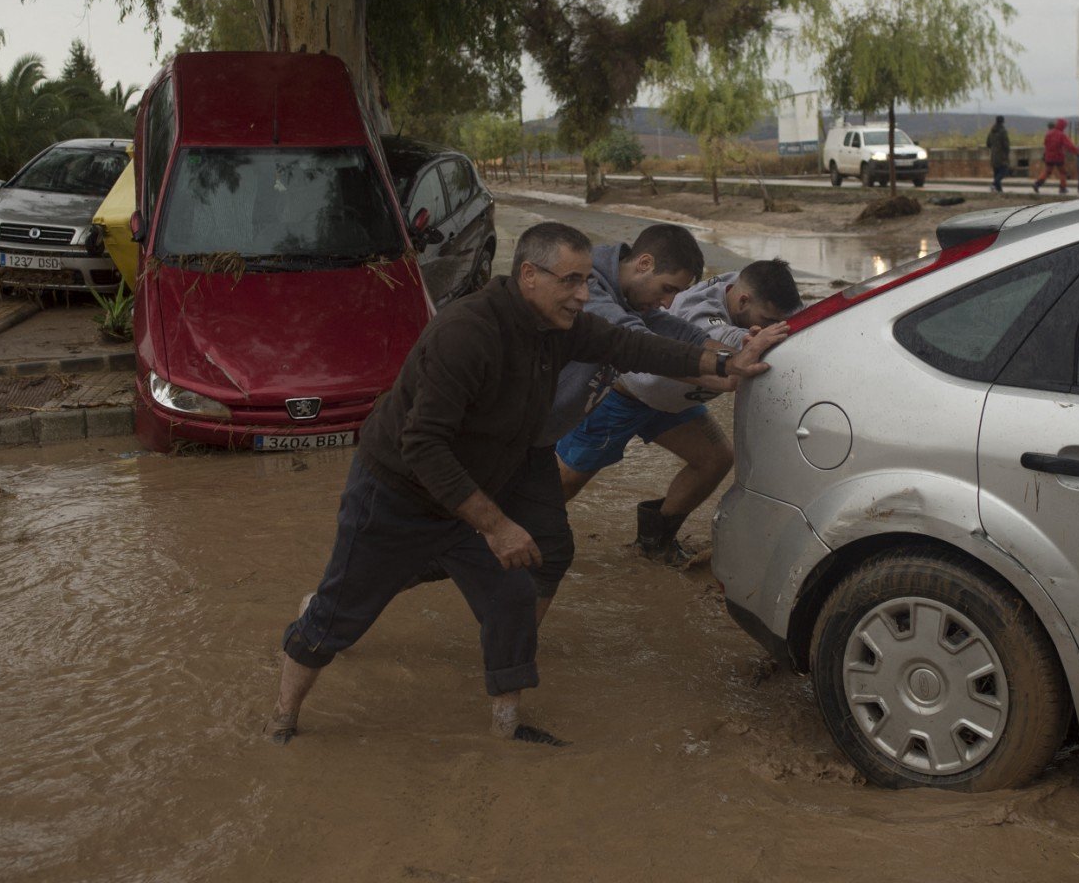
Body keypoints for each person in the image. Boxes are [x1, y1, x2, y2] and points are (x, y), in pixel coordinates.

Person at [266, 221, 787, 749]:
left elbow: (635, 347)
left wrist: (726, 361)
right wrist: (494, 527)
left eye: (588, 281)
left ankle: (506, 730)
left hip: (490, 471)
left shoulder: (563, 326)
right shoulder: (465, 334)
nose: (585, 294)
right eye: (572, 281)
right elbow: (422, 445)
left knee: (518, 589)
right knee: (338, 614)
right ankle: (281, 722)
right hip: (400, 490)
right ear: (529, 275)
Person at [557, 259, 804, 564]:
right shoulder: (696, 312)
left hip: (670, 401)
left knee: (715, 458)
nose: (770, 328)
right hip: (623, 397)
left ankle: (653, 544)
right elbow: (728, 344)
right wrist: (749, 345)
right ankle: (514, 525)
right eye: (766, 321)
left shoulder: (744, 287)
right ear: (742, 301)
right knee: (567, 479)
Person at [1031, 118, 1079, 195]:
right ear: (1063, 126)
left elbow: (1045, 144)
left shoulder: (1049, 133)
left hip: (1049, 157)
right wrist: (1077, 152)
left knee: (1047, 172)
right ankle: (1062, 188)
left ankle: (1037, 184)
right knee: (1062, 172)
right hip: (1058, 157)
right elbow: (1069, 145)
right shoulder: (1061, 135)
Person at [985, 116, 1011, 193]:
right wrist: (1007, 153)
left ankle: (999, 190)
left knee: (996, 173)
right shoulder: (1003, 131)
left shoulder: (991, 131)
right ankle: (993, 184)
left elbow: (988, 143)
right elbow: (1006, 145)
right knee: (1004, 171)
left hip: (993, 155)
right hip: (1002, 156)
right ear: (1003, 121)